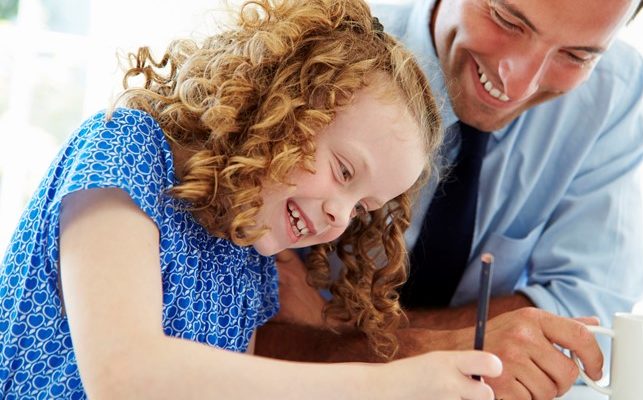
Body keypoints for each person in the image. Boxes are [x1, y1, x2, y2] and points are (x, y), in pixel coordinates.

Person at [0, 0, 507, 398]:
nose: (340, 215)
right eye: (344, 171)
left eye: (361, 209)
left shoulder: (248, 258)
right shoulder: (123, 150)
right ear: (282, 109)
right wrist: (388, 386)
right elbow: (124, 377)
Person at [256, 0, 643, 399]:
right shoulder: (324, 46)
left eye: (576, 56)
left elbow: (595, 318)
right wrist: (448, 347)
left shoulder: (612, 92)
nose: (520, 83)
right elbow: (245, 332)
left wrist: (338, 326)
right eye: (507, 20)